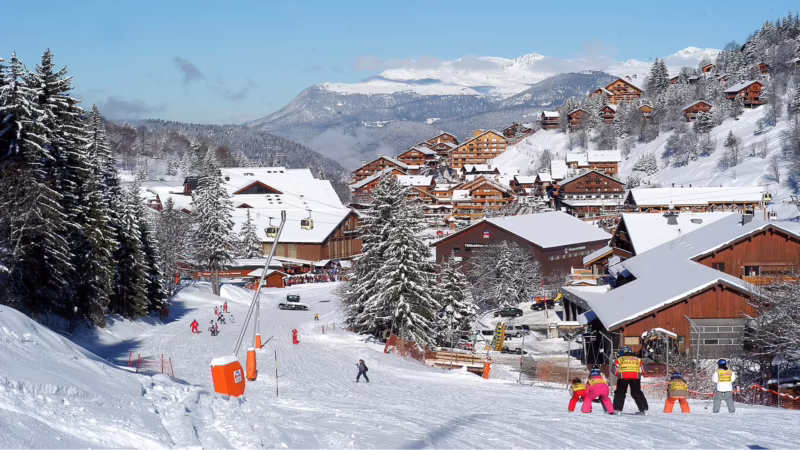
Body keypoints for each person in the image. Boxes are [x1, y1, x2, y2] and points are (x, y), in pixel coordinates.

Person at [613, 346, 649, 415]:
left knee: (620, 392)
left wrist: (618, 374)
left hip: (623, 376)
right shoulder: (637, 359)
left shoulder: (619, 359)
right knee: (636, 392)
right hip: (635, 377)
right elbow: (644, 369)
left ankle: (617, 409)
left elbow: (614, 369)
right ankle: (644, 409)